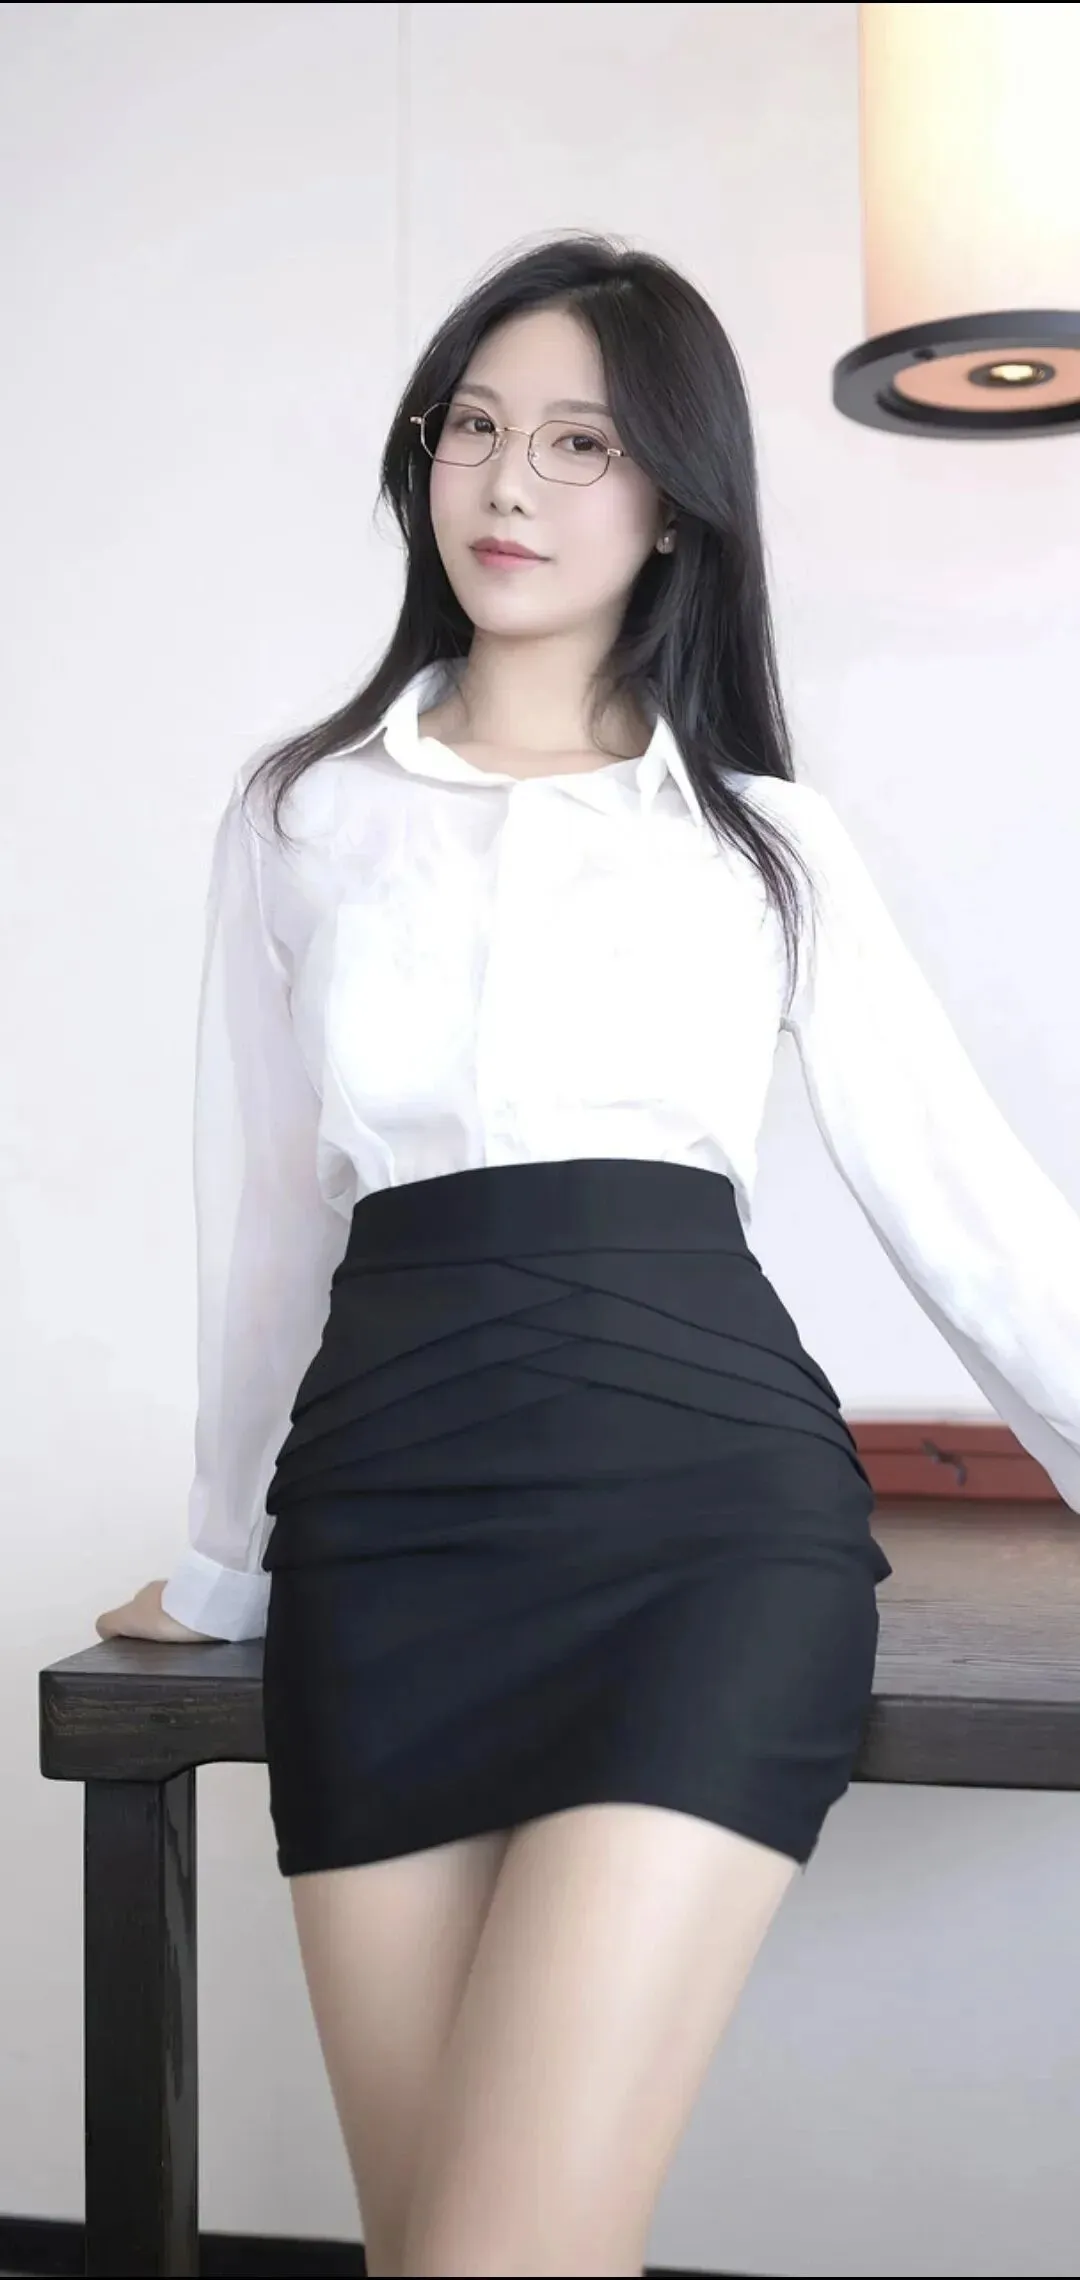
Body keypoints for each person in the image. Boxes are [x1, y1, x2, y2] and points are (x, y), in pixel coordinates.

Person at [96, 233, 1080, 2279]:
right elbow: (270, 1221)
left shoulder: (764, 842)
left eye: (579, 444)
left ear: (675, 503)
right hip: (386, 1535)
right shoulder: (301, 816)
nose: (508, 485)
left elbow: (965, 1202)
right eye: (474, 429)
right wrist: (218, 1566)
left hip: (701, 1537)